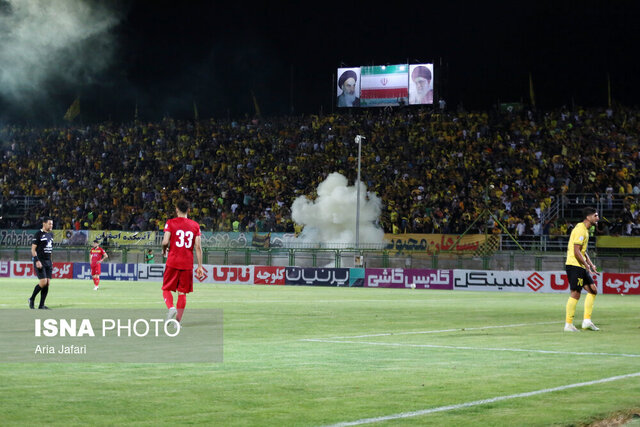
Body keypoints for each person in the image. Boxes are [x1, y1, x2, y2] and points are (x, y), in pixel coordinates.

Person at [161, 199, 204, 324]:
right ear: (189, 210)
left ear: (176, 209)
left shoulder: (170, 223)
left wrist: (164, 250)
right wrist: (200, 266)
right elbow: (198, 247)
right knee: (182, 292)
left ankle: (171, 307)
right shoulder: (195, 225)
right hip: (187, 263)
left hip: (173, 260)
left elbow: (165, 242)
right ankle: (177, 321)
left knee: (166, 288)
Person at [564, 207, 600, 332]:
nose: (598, 218)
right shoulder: (580, 230)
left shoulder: (586, 230)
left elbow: (583, 251)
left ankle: (586, 321)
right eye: (595, 216)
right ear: (588, 217)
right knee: (575, 293)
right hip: (574, 265)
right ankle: (568, 325)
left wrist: (590, 264)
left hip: (580, 265)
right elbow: (576, 251)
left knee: (593, 290)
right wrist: (586, 265)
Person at [28, 217, 54, 309]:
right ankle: (31, 298)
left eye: (52, 224)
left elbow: (50, 250)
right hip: (40, 261)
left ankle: (41, 305)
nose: (51, 225)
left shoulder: (51, 235)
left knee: (47, 283)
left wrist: (51, 261)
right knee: (43, 282)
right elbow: (33, 249)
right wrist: (37, 260)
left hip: (48, 262)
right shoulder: (38, 234)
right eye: (50, 224)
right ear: (44, 224)